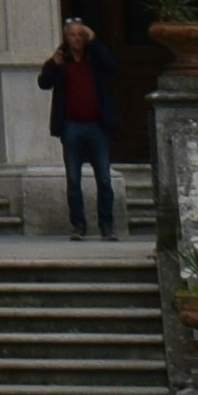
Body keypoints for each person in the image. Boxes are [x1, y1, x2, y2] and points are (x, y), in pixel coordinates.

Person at [36, 19, 122, 242]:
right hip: (71, 126)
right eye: (72, 35)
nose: (77, 39)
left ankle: (107, 225)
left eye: (81, 35)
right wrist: (52, 64)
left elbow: (113, 65)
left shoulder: (95, 59)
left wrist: (95, 42)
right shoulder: (61, 62)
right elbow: (43, 83)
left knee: (104, 178)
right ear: (66, 38)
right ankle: (78, 225)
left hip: (97, 126)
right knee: (73, 180)